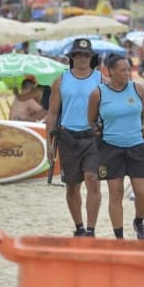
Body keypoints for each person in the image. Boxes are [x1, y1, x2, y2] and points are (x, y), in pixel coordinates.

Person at [87, 54, 144, 240]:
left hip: (137, 145)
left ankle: (139, 221)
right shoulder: (98, 93)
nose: (127, 73)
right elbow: (91, 120)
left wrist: (131, 130)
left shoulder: (137, 89)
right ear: (111, 71)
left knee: (142, 194)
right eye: (122, 70)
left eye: (128, 69)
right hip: (110, 148)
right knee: (116, 193)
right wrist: (100, 131)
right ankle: (119, 238)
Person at [46, 38, 102, 237]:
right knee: (72, 186)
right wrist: (49, 144)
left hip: (93, 137)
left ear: (91, 57)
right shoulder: (61, 80)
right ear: (73, 57)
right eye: (79, 54)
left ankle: (91, 229)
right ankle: (79, 226)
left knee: (92, 178)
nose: (83, 58)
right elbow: (52, 114)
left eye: (87, 55)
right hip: (67, 137)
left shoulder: (101, 79)